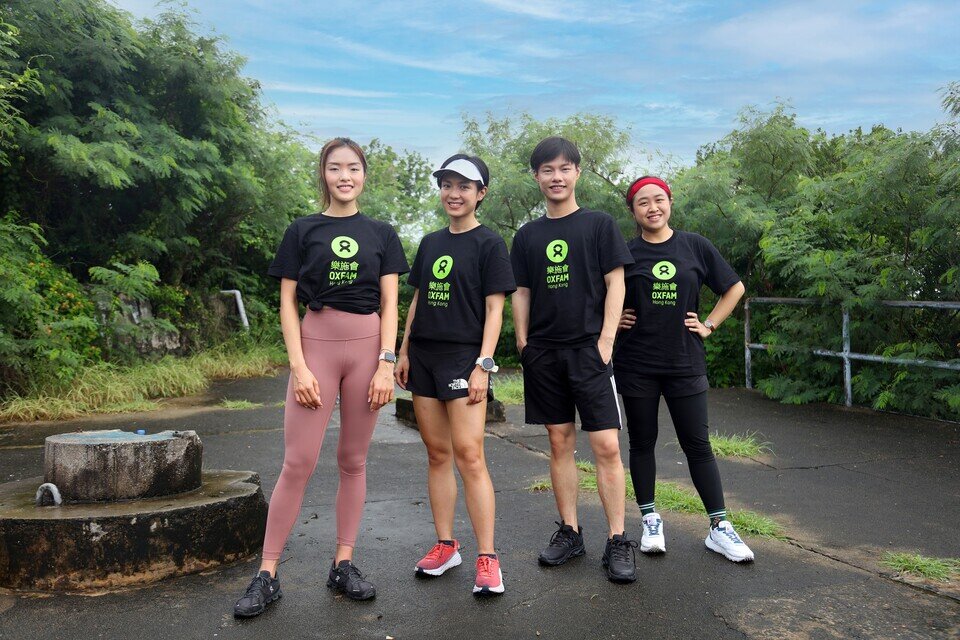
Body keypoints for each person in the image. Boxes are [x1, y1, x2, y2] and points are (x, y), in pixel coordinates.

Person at [234, 137, 409, 617]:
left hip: (367, 350)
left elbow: (391, 302)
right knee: (298, 462)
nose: (344, 176)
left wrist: (386, 363)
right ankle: (267, 573)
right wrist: (298, 366)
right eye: (335, 168)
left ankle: (343, 563)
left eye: (353, 167)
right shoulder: (302, 229)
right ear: (324, 174)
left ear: (364, 174)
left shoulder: (382, 233)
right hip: (316, 348)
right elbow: (286, 302)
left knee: (353, 460)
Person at [510, 136, 638, 583]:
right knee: (559, 442)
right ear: (536, 176)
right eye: (547, 170)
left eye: (564, 168)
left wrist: (606, 341)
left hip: (589, 351)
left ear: (577, 173)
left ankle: (618, 539)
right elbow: (521, 291)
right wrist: (523, 342)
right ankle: (570, 531)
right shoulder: (527, 235)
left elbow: (616, 282)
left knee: (606, 445)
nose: (556, 177)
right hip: (544, 353)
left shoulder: (599, 225)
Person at [614, 175, 754, 563]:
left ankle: (719, 527)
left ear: (670, 202)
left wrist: (709, 324)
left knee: (698, 445)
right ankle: (650, 520)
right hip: (637, 362)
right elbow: (598, 292)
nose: (652, 207)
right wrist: (611, 319)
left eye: (659, 199)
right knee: (642, 442)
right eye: (643, 202)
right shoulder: (624, 252)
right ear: (633, 211)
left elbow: (735, 287)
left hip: (685, 361)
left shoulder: (695, 246)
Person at [395, 154, 516, 595]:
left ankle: (488, 556)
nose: (454, 193)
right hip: (423, 357)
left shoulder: (490, 244)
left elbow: (495, 309)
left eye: (464, 186)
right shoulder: (430, 243)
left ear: (481, 193)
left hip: (463, 358)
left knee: (469, 454)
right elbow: (419, 298)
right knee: (437, 454)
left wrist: (484, 364)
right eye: (447, 184)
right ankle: (447, 545)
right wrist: (403, 351)